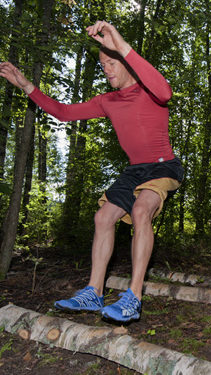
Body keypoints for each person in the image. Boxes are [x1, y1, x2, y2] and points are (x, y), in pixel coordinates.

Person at [0, 21, 184, 322]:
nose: (107, 70)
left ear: (126, 62)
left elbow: (165, 93)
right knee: (103, 217)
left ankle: (134, 296)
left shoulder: (148, 89)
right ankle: (93, 291)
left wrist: (120, 44)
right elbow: (63, 112)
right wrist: (25, 85)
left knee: (141, 211)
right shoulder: (107, 101)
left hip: (163, 166)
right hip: (134, 170)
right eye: (103, 65)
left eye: (112, 63)